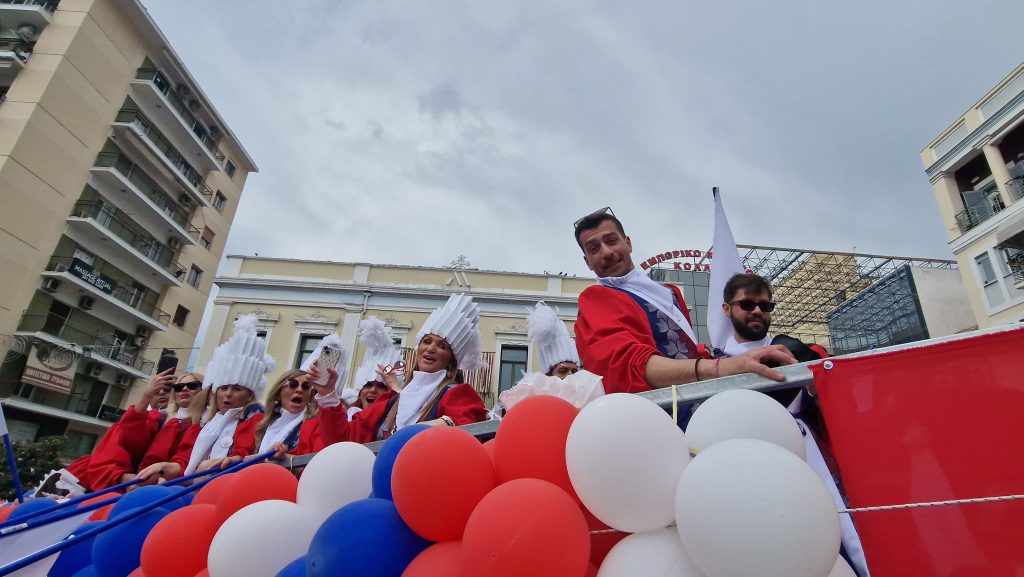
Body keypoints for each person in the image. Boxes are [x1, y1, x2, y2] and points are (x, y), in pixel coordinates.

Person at [572, 208, 796, 394]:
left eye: (612, 241)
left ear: (628, 243)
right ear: (587, 261)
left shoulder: (670, 292)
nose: (607, 252)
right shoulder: (596, 299)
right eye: (594, 249)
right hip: (659, 419)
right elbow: (629, 366)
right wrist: (722, 367)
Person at [316, 293, 488, 444]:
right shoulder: (389, 402)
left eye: (442, 346)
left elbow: (466, 434)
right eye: (426, 342)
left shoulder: (458, 395)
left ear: (451, 361)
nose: (431, 349)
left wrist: (429, 428)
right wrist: (328, 395)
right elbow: (342, 439)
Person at [137, 315, 272, 483]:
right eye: (223, 388)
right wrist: (163, 467)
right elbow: (183, 462)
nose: (228, 394)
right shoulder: (199, 426)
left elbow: (244, 453)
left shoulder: (255, 421)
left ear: (249, 395)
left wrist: (231, 460)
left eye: (236, 389)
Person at [64, 367, 174, 491]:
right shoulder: (136, 422)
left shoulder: (181, 424)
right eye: (157, 388)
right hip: (90, 484)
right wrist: (125, 479)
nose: (160, 392)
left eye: (168, 389)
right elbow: (129, 436)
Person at [254, 369, 322, 458]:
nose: (300, 390)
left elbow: (313, 461)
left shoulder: (315, 426)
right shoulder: (259, 423)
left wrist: (283, 457)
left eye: (306, 386)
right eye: (292, 384)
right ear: (278, 392)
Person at [345, 317, 404, 419]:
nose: (372, 390)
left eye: (381, 386)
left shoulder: (396, 424)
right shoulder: (347, 420)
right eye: (367, 385)